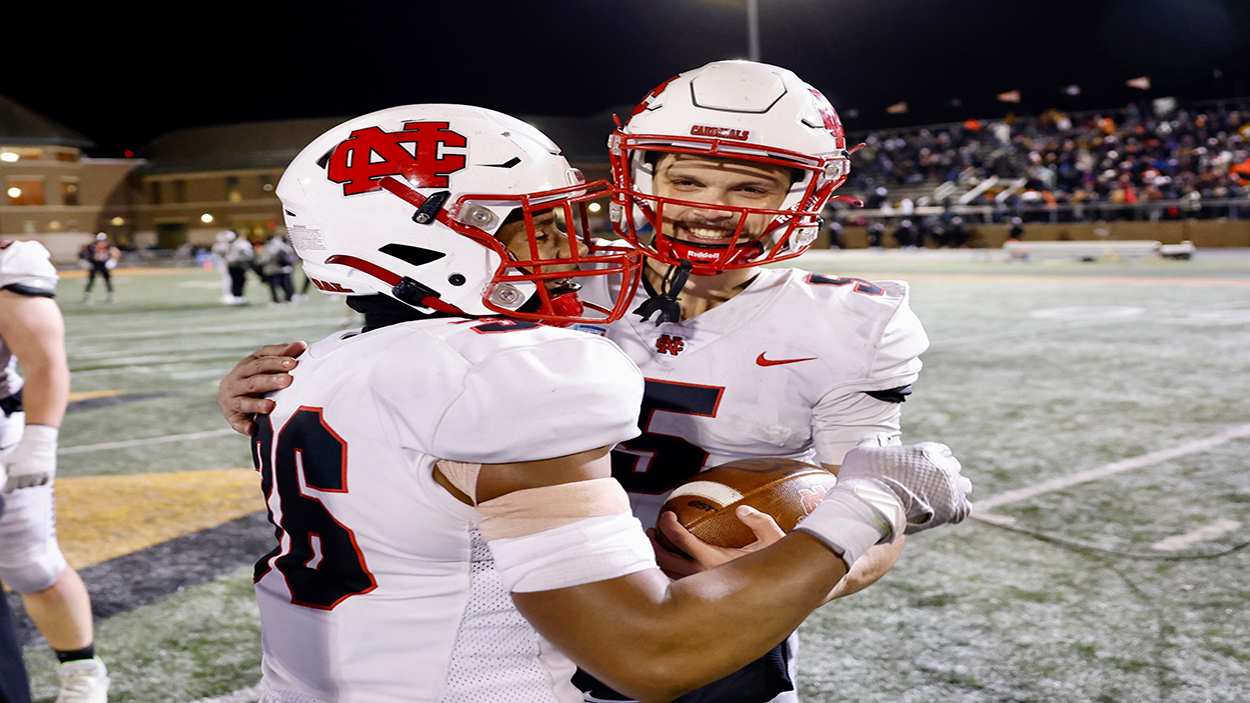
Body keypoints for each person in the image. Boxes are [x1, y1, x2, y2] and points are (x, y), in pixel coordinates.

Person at [222, 62, 956, 703]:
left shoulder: (853, 324)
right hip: (534, 602)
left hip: (710, 604)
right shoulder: (557, 273)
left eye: (749, 185)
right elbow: (418, 355)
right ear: (643, 174)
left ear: (803, 194)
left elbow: (856, 485)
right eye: (688, 177)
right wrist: (267, 385)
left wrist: (810, 562)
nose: (711, 206)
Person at [0, 240, 109, 702]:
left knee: (31, 562)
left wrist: (39, 441)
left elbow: (43, 357)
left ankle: (81, 669)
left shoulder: (9, 261)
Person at [79, 234, 119, 304]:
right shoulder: (91, 246)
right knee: (91, 281)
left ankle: (110, 295)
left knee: (107, 280)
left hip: (104, 265)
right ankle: (87, 296)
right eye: (100, 240)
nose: (102, 242)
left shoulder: (109, 246)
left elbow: (116, 253)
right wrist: (85, 261)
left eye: (103, 240)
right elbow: (83, 254)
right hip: (94, 264)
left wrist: (113, 260)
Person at [258, 234, 296, 304]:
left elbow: (263, 260)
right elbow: (291, 253)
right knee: (286, 285)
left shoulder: (267, 247)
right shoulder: (283, 245)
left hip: (272, 270)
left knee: (274, 286)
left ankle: (276, 300)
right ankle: (289, 298)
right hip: (285, 269)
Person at [223, 232, 254, 305]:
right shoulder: (238, 244)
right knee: (238, 281)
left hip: (235, 265)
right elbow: (248, 253)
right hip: (237, 265)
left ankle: (238, 297)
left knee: (238, 281)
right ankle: (238, 297)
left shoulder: (234, 244)